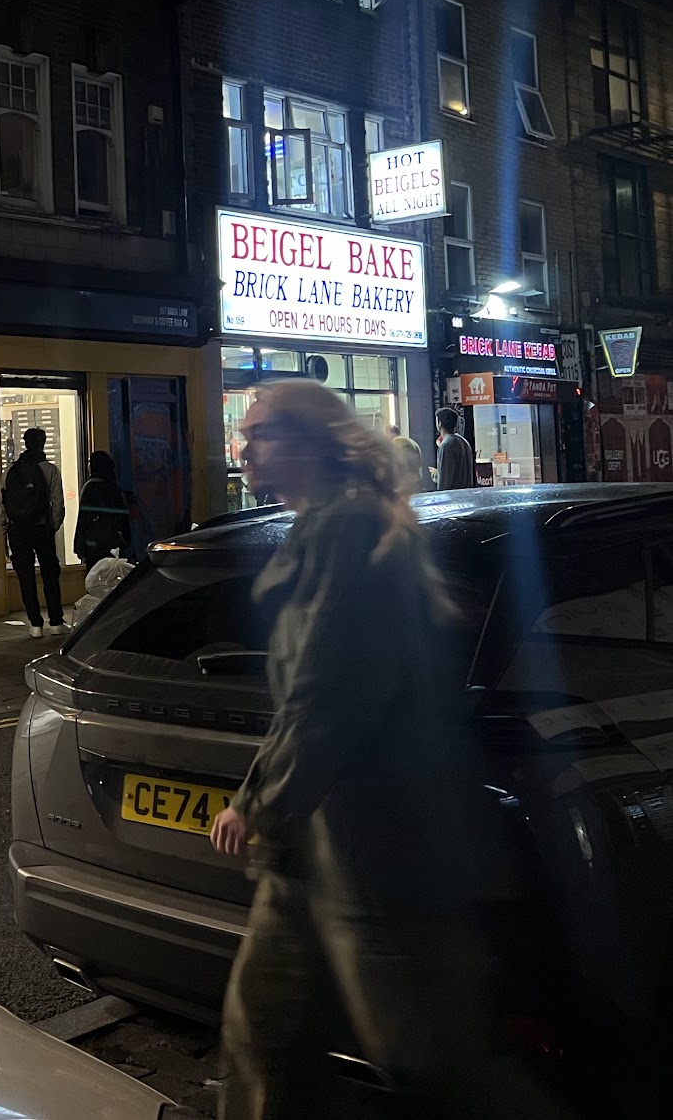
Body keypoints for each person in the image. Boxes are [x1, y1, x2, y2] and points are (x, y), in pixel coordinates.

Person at [211, 379, 572, 1120]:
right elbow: (303, 693)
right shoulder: (321, 529)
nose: (246, 447)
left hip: (382, 844)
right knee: (266, 1032)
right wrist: (260, 799)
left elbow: (333, 690)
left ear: (312, 444)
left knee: (433, 1057)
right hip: (314, 849)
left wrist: (265, 807)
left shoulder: (351, 533)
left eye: (264, 432)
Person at [2, 426, 65, 628]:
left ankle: (35, 624)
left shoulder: (11, 470)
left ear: (25, 443)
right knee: (50, 574)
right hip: (42, 528)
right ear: (43, 443)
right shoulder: (50, 470)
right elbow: (58, 503)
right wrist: (52, 526)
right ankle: (55, 621)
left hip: (17, 530)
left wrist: (5, 526)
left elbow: (1, 503)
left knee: (26, 577)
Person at [72, 450, 133, 568]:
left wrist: (79, 546)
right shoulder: (114, 487)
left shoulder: (90, 487)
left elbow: (84, 519)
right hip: (114, 544)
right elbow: (123, 517)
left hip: (94, 546)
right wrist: (126, 539)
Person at [434, 407, 476, 490]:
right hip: (466, 494)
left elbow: (444, 481)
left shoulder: (446, 445)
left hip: (453, 497)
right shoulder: (463, 441)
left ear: (439, 423)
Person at [389, 423, 426, 493]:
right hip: (416, 482)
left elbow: (400, 464)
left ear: (392, 433)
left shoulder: (397, 442)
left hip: (407, 484)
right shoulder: (409, 441)